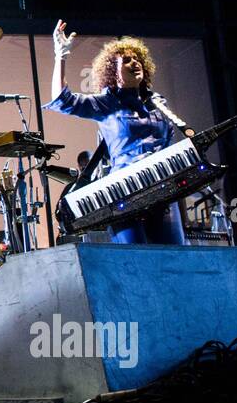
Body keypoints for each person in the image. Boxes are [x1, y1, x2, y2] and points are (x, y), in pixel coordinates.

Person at [45, 19, 187, 245]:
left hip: (163, 189)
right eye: (127, 60)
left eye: (137, 59)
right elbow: (63, 101)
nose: (135, 63)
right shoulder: (107, 103)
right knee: (134, 263)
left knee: (175, 260)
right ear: (114, 72)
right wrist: (60, 56)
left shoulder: (158, 103)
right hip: (126, 192)